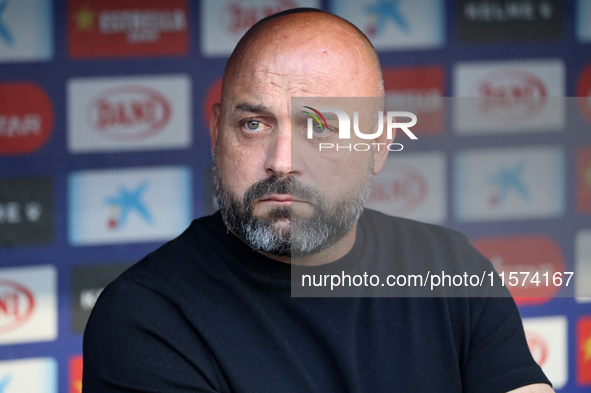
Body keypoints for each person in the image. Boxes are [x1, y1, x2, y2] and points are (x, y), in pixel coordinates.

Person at [82, 8, 554, 393]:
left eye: (320, 126)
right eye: (254, 124)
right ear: (216, 133)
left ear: (379, 145)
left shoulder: (450, 268)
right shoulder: (146, 317)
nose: (281, 161)